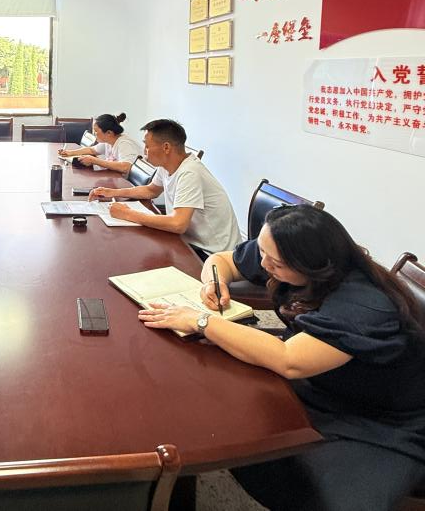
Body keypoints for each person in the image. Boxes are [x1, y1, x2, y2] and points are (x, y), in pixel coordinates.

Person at [138, 205, 425, 512]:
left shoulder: (364, 305)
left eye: (274, 262)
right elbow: (222, 260)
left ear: (314, 265)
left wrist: (202, 321)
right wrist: (214, 282)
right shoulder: (281, 252)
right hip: (323, 382)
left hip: (383, 419)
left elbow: (290, 359)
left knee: (323, 494)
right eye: (263, 253)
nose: (263, 264)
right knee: (215, 401)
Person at [91, 118, 240, 257]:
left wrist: (127, 214)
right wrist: (112, 192)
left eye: (147, 146)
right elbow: (151, 190)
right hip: (189, 241)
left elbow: (178, 224)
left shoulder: (190, 172)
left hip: (212, 254)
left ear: (166, 147)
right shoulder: (167, 165)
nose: (144, 151)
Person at [58, 112, 141, 173]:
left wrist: (95, 161)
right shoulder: (109, 141)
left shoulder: (124, 144)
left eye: (96, 131)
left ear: (109, 133)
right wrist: (70, 153)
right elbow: (92, 150)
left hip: (127, 184)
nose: (94, 134)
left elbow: (126, 167)